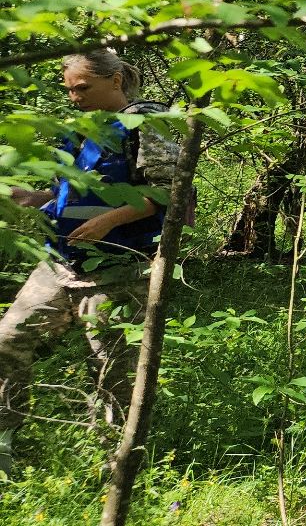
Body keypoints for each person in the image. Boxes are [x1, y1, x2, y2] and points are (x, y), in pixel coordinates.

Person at [0, 48, 180, 474]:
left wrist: (109, 221)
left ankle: (120, 466)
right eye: (69, 90)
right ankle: (3, 444)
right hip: (60, 263)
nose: (74, 97)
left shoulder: (146, 121)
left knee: (113, 369)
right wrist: (34, 199)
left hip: (119, 266)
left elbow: (169, 192)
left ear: (115, 81)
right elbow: (70, 198)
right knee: (7, 342)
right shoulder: (81, 131)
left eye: (83, 88)